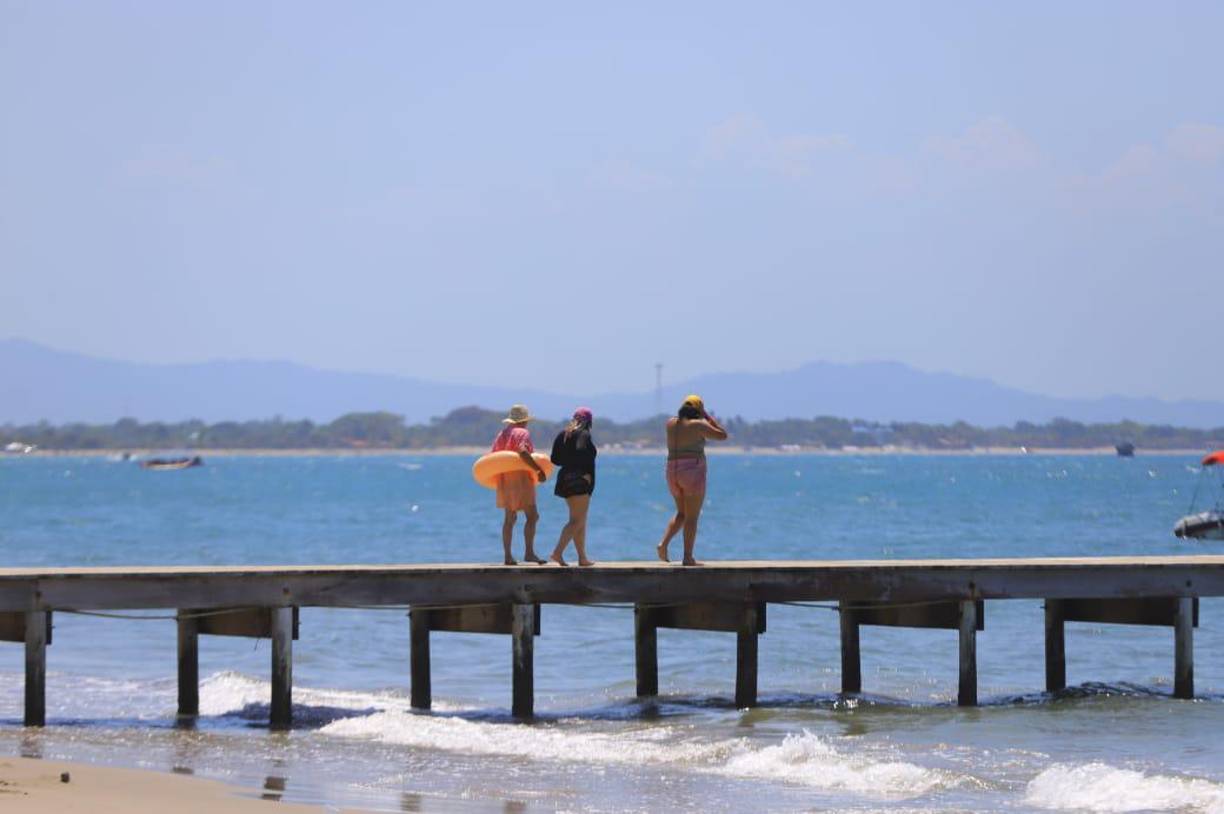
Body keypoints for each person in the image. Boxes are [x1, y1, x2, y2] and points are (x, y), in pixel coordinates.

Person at [656, 394, 728, 566]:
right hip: (692, 471)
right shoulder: (698, 425)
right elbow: (723, 435)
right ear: (698, 410)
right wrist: (707, 416)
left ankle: (663, 544)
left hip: (672, 471)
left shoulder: (670, 423)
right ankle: (688, 557)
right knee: (692, 517)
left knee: (681, 513)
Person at [490, 404, 547, 565]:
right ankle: (529, 553)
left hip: (505, 480)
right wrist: (538, 470)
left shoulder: (502, 433)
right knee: (532, 516)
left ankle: (508, 556)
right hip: (521, 479)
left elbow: (494, 456)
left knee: (509, 519)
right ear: (525, 420)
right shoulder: (522, 432)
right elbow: (523, 452)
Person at [548, 407, 597, 567]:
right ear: (589, 421)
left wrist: (569, 465)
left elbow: (554, 459)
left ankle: (582, 558)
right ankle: (557, 552)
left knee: (578, 520)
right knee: (577, 521)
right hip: (579, 481)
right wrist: (582, 473)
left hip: (564, 479)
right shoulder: (583, 434)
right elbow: (581, 451)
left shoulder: (563, 434)